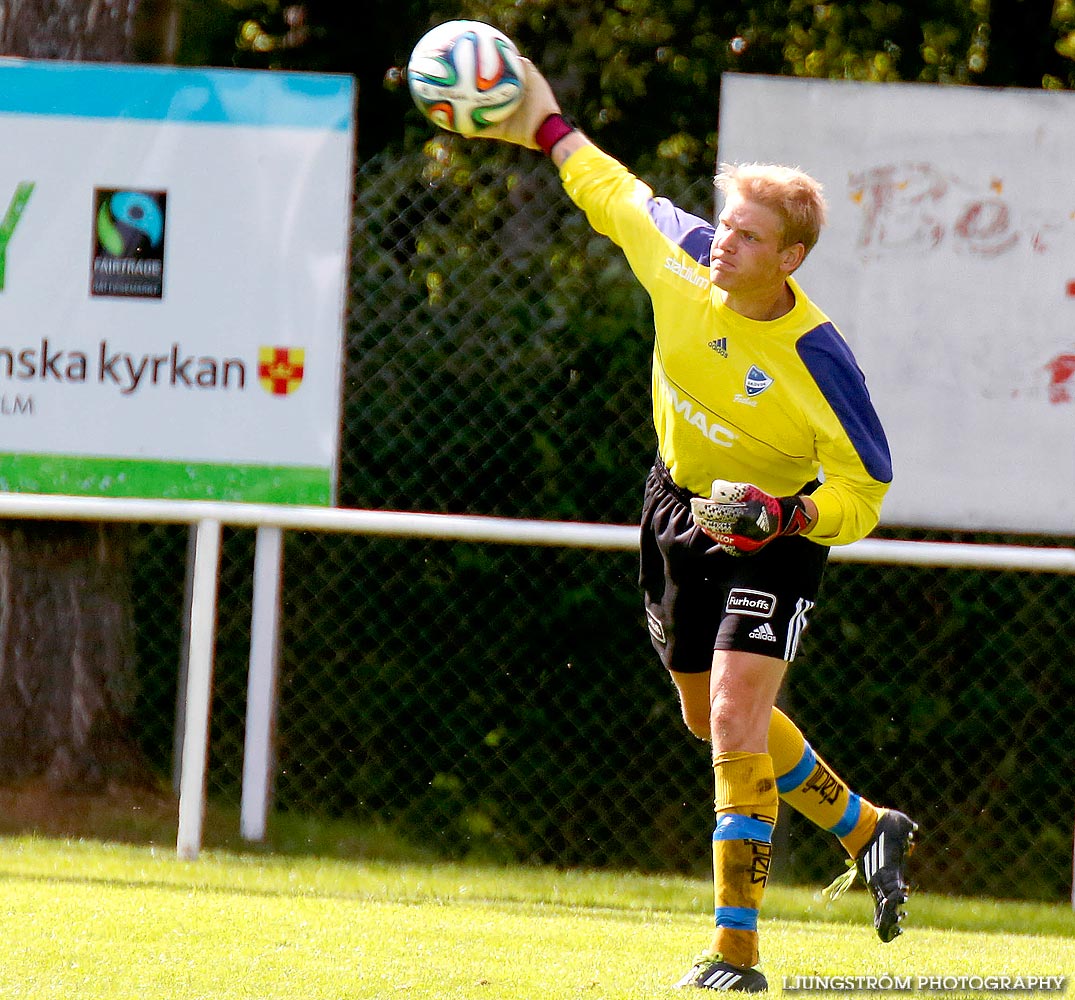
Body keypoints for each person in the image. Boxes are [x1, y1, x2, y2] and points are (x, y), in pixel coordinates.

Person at [468, 58, 917, 992]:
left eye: (747, 237)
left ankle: (735, 953)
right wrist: (545, 123)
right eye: (726, 227)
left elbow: (866, 492)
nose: (722, 245)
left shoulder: (820, 362)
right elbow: (613, 191)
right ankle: (868, 828)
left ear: (788, 258)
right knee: (699, 715)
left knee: (730, 717)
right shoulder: (685, 258)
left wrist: (790, 513)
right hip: (676, 507)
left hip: (781, 534)